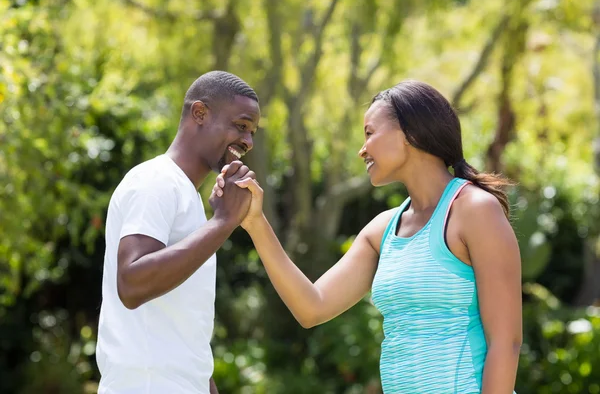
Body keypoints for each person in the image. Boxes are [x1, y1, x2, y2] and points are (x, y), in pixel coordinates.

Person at [214, 80, 522, 393]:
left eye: (370, 133)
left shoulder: (474, 210)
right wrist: (255, 222)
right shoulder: (383, 230)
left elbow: (506, 342)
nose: (362, 149)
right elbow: (311, 307)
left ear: (410, 134)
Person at [96, 71, 260, 394]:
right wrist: (222, 223)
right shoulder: (155, 181)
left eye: (253, 132)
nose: (248, 141)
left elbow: (184, 335)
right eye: (241, 126)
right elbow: (130, 283)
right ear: (200, 113)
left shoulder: (191, 202)